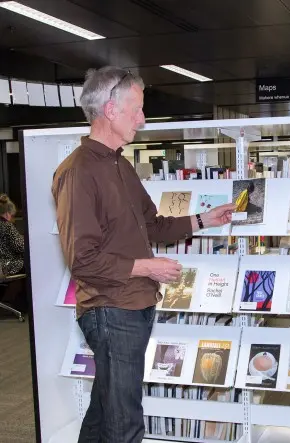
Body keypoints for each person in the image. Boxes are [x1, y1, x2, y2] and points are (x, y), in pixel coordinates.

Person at [52, 66, 235, 443]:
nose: (143, 118)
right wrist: (146, 266)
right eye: (136, 108)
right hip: (110, 309)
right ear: (110, 110)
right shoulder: (78, 173)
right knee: (125, 422)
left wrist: (204, 219)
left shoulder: (120, 165)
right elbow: (82, 258)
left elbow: (151, 226)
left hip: (133, 305)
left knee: (105, 411)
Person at [0, 194, 24, 276]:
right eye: (12, 215)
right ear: (7, 213)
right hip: (9, 265)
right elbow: (19, 246)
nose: (11, 218)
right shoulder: (7, 226)